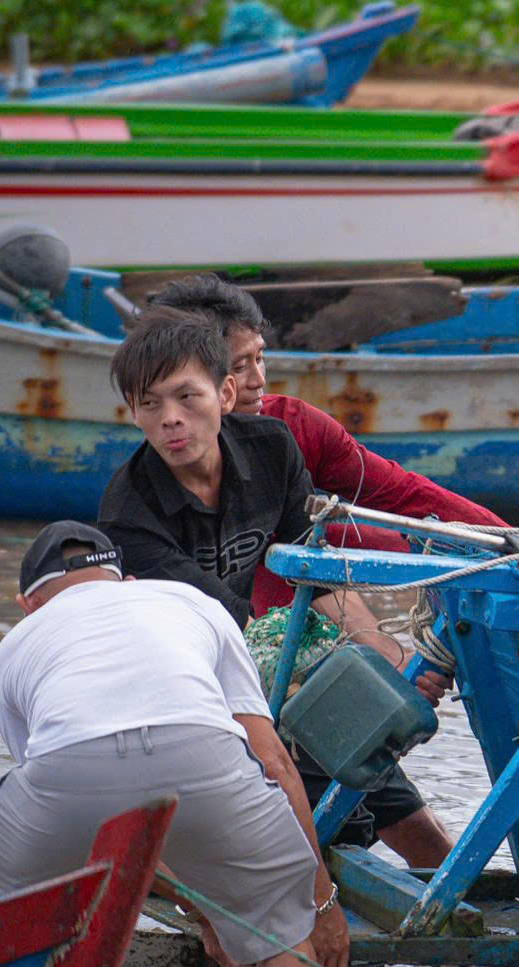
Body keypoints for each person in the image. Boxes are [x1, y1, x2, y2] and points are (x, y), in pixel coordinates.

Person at [0, 522, 345, 967]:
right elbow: (275, 763)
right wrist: (318, 905)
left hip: (71, 761)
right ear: (128, 580)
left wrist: (206, 907)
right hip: (201, 747)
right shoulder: (188, 600)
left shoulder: (14, 649)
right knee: (281, 933)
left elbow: (101, 829)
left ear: (29, 604)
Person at [95, 309, 456, 869]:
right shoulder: (128, 516)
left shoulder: (272, 448)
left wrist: (386, 651)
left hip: (254, 658)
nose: (171, 420)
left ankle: (443, 893)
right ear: (133, 413)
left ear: (225, 391)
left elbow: (308, 571)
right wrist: (353, 681)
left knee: (391, 780)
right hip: (182, 684)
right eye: (150, 404)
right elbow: (232, 626)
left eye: (187, 398)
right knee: (331, 734)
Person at [142, 273, 509, 618]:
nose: (258, 380)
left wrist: (509, 545)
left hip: (293, 562)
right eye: (239, 367)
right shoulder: (149, 489)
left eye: (260, 358)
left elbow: (401, 494)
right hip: (225, 610)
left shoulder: (296, 428)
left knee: (408, 544)